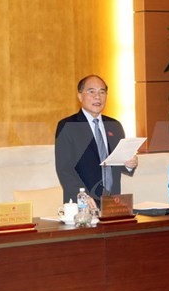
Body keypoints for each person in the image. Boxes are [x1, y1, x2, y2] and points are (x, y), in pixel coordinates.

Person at [55, 74, 138, 206]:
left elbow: (118, 162)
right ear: (80, 96)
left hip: (113, 203)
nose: (97, 96)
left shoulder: (115, 126)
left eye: (102, 92)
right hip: (82, 205)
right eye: (91, 91)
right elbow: (64, 169)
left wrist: (129, 164)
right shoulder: (68, 126)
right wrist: (82, 196)